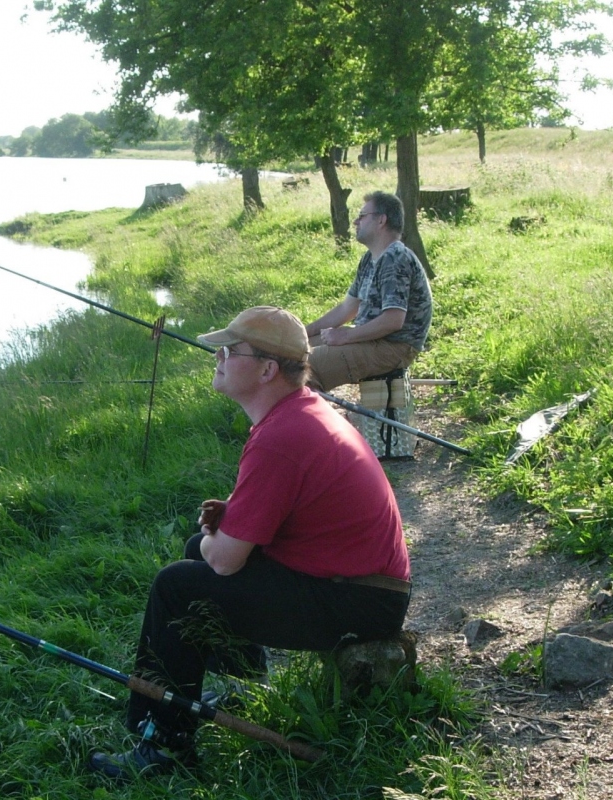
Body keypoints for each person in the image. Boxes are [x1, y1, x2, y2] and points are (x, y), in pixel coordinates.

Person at [89, 305, 411, 780]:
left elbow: (223, 562)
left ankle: (164, 744)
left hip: (358, 599)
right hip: (362, 586)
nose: (218, 356)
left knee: (178, 585)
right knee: (192, 554)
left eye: (230, 349)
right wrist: (222, 531)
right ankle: (243, 685)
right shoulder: (297, 413)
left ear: (266, 369)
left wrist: (213, 539)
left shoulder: (282, 435)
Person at [304, 191, 433, 392]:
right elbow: (347, 309)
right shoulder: (369, 259)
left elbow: (393, 320)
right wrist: (302, 332)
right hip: (372, 340)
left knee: (301, 367)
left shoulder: (395, 257)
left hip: (394, 347)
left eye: (362, 216)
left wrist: (346, 336)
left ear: (381, 220)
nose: (356, 222)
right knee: (292, 352)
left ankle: (313, 422)